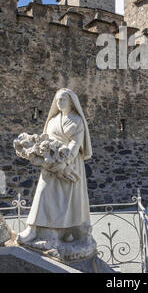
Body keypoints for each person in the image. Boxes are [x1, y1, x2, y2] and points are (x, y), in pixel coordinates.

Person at [17, 88, 92, 244]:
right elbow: (45, 140)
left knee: (68, 200)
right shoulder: (52, 121)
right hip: (50, 163)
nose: (59, 102)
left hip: (70, 164)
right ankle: (33, 229)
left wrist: (65, 161)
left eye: (63, 99)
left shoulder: (77, 121)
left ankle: (67, 231)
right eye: (57, 99)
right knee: (43, 193)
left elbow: (75, 143)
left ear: (71, 102)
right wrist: (38, 152)